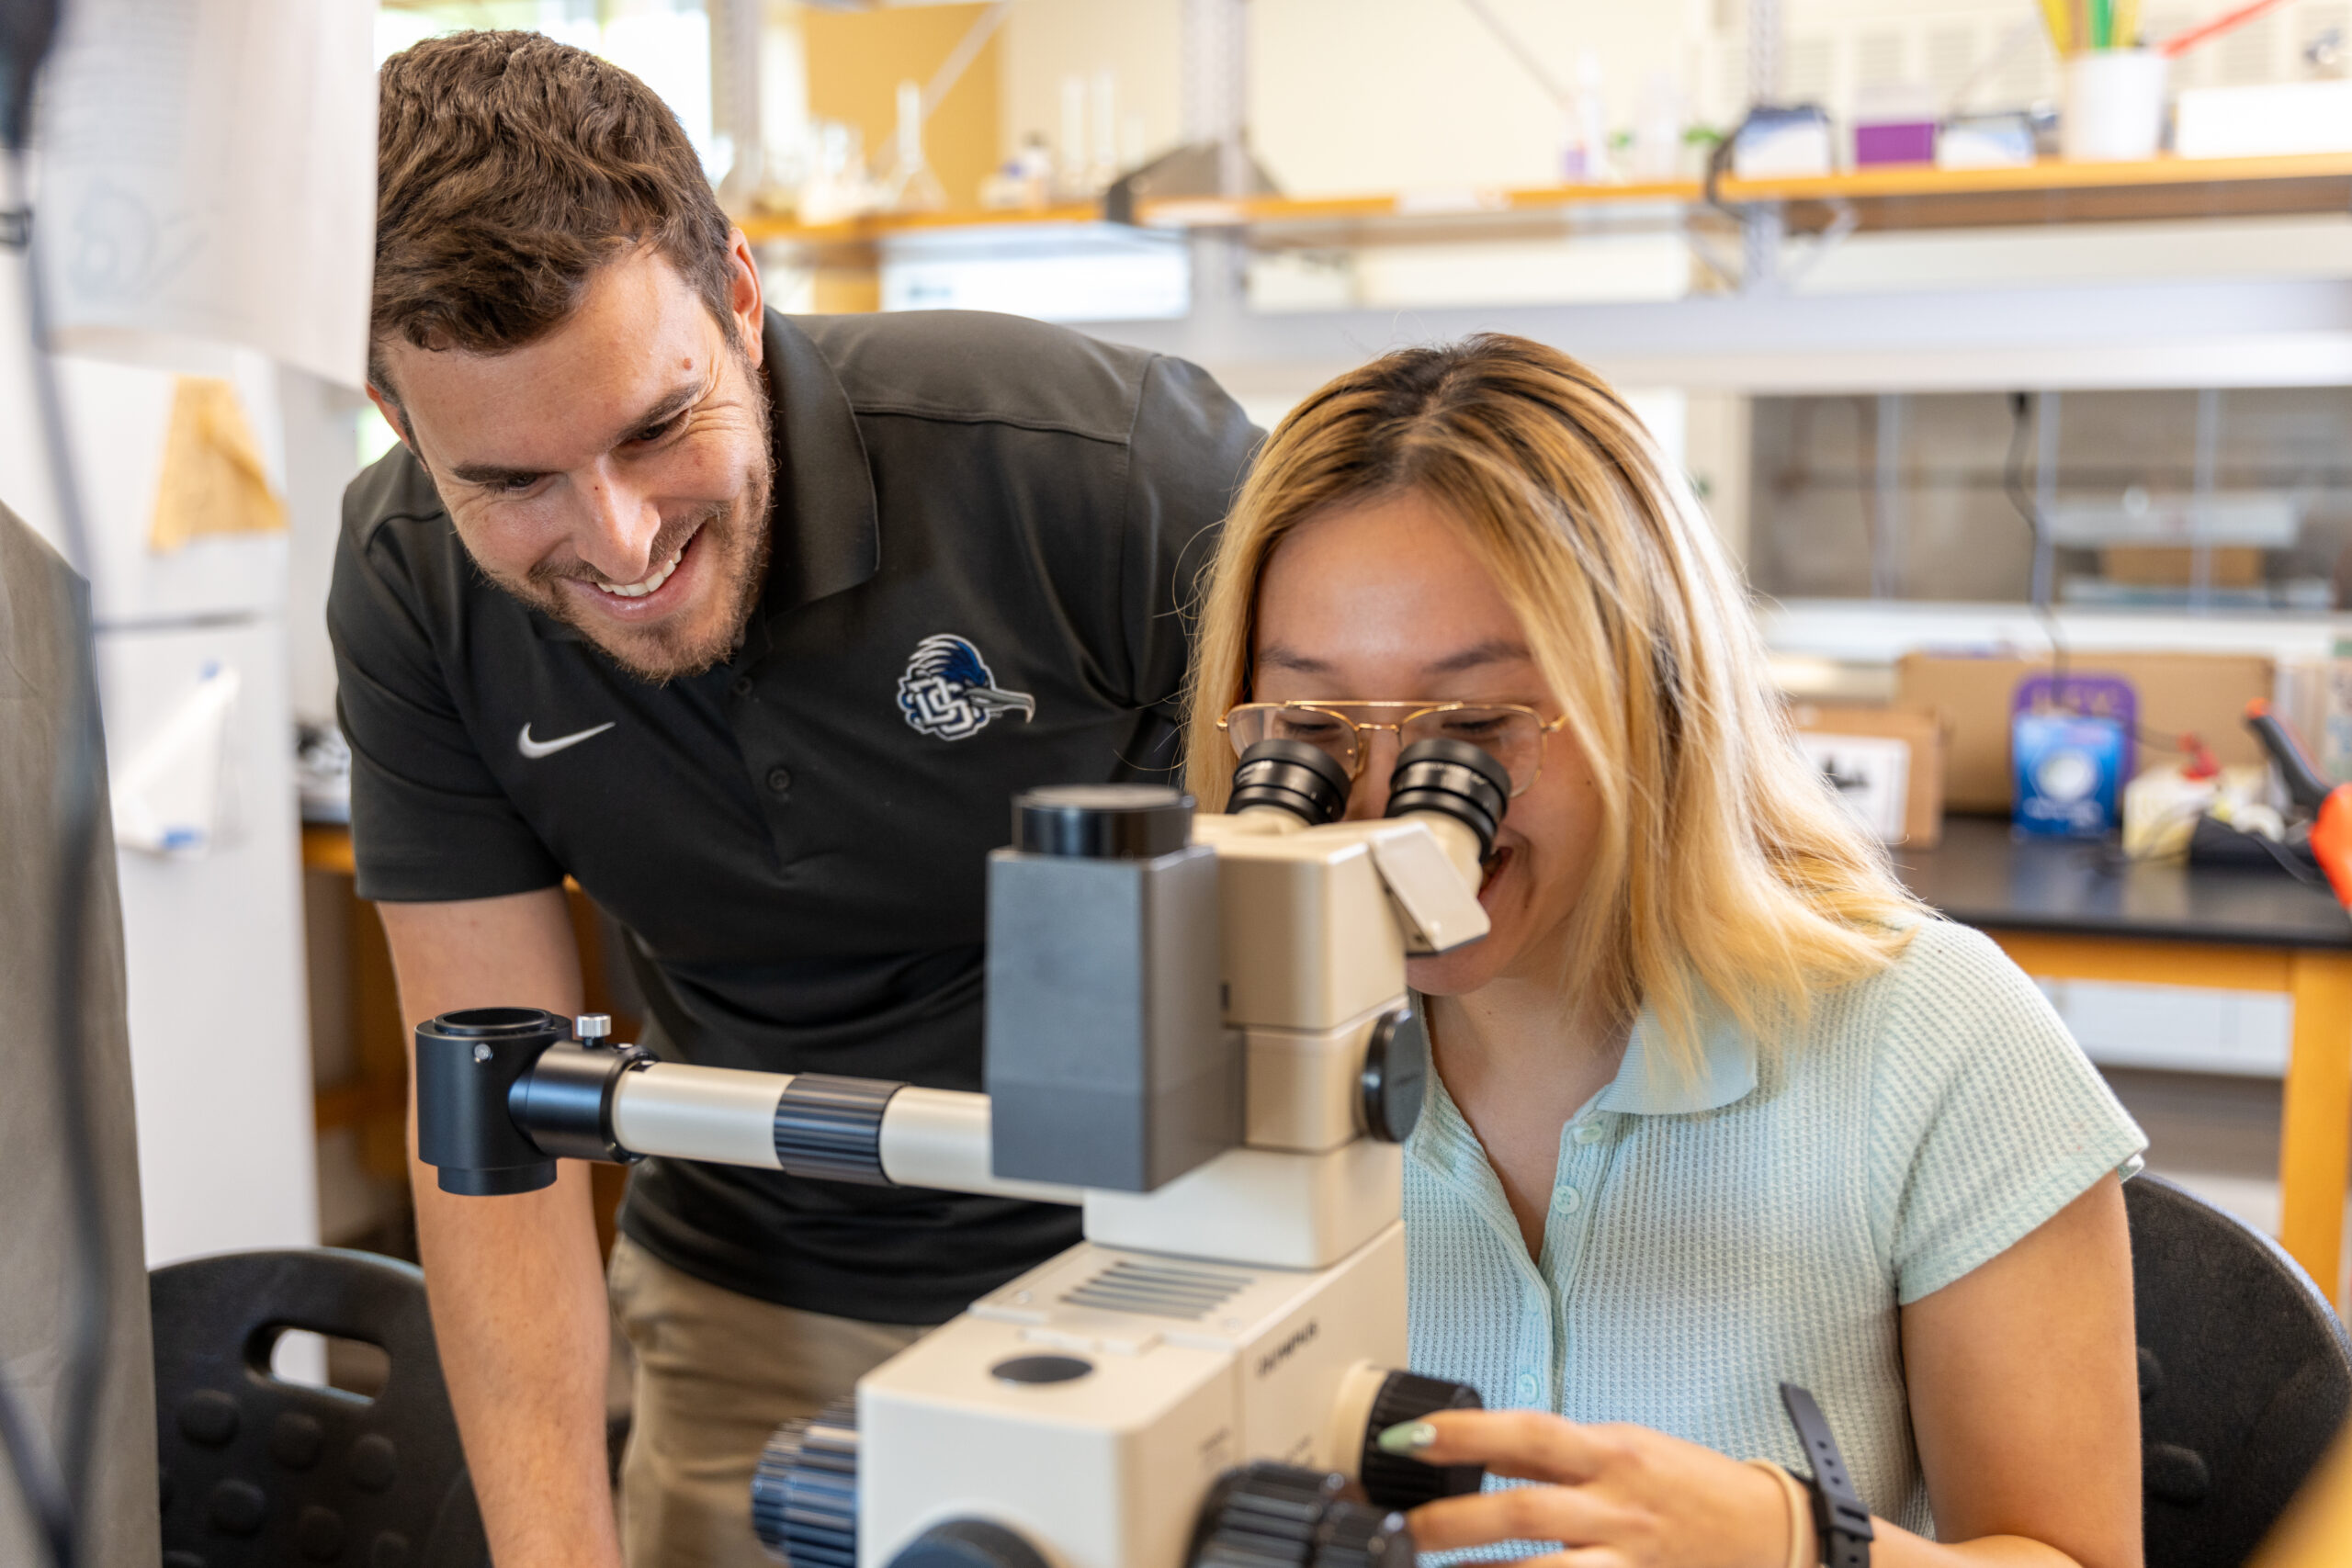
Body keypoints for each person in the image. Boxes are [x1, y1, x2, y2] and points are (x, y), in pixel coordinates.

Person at [332, 32, 1256, 1568]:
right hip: (749, 1303)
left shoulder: (1105, 468)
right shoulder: (408, 584)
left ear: (742, 301)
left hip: (1164, 1268)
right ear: (395, 416)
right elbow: (486, 1133)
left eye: (654, 427)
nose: (618, 541)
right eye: (513, 482)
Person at [1182, 335, 2146, 1568]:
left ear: (1655, 696)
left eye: (1475, 727)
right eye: (1315, 728)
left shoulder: (1932, 1037)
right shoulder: (1221, 1037)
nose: (1382, 808)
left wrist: (1793, 1544)